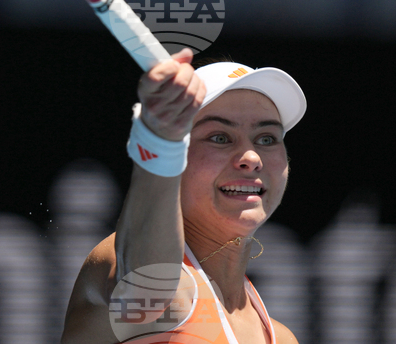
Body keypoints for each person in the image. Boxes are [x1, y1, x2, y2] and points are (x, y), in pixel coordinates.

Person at [61, 49, 307, 344]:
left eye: (267, 138)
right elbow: (149, 283)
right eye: (219, 137)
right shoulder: (149, 275)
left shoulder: (282, 338)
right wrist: (159, 140)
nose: (252, 157)